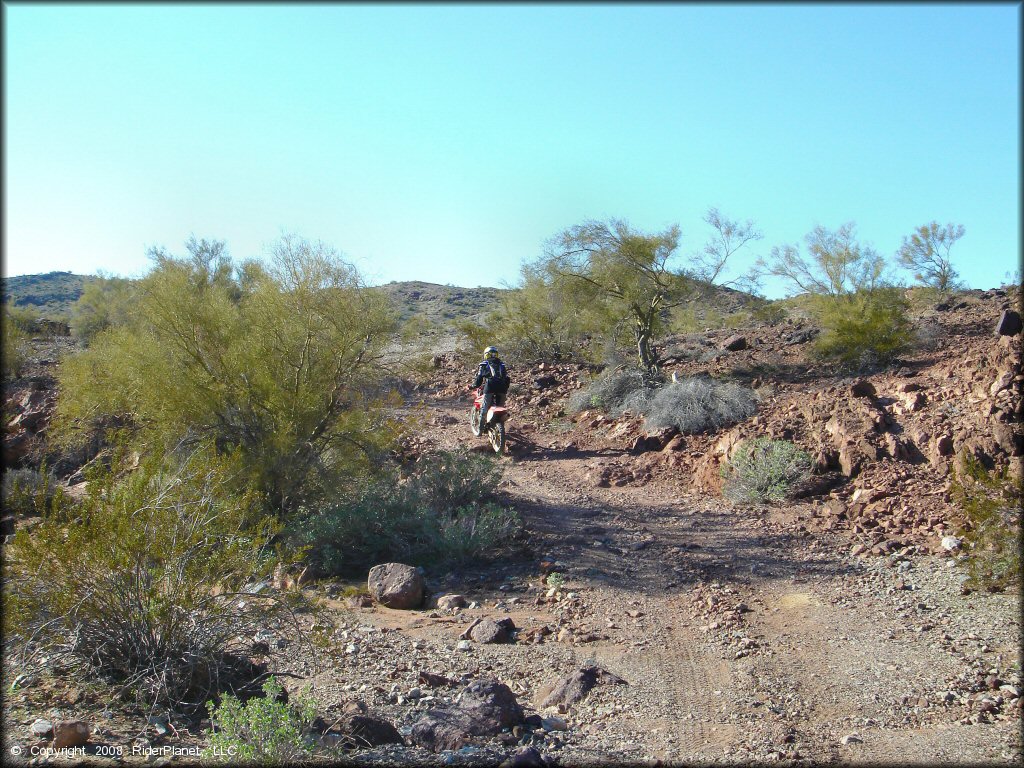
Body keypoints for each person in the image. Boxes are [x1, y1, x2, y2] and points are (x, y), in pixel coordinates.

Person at [471, 346, 510, 428]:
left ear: (486, 355)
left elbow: (479, 378)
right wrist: (505, 389)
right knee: (500, 407)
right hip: (502, 389)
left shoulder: (483, 364)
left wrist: (474, 386)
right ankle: (499, 424)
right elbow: (506, 378)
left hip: (490, 387)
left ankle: (480, 429)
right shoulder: (502, 364)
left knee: (484, 408)